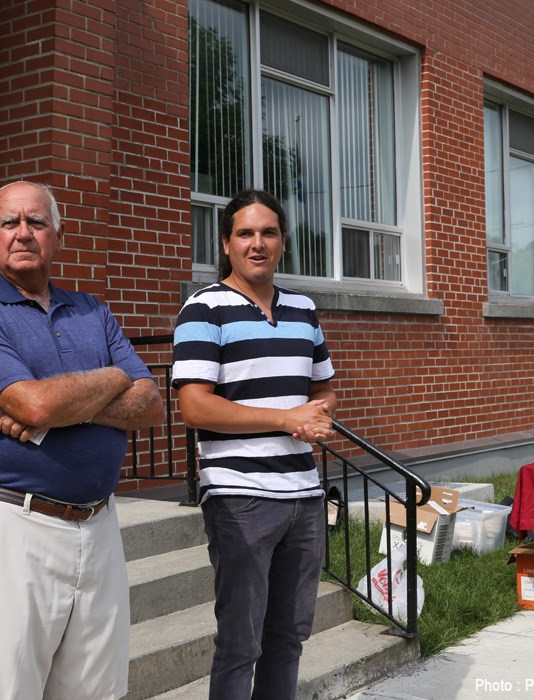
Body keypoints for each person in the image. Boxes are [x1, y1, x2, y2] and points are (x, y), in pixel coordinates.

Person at [0, 180, 163, 699]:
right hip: (17, 527)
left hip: (99, 523)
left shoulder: (91, 310)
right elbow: (34, 407)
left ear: (57, 234)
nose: (23, 233)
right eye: (10, 223)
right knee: (7, 690)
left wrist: (64, 405)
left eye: (36, 222)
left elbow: (151, 405)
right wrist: (112, 377)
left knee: (98, 689)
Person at [171, 189, 337, 699]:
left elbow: (324, 387)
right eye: (245, 233)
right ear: (227, 242)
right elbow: (195, 407)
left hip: (304, 496)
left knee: (288, 638)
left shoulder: (303, 309)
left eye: (268, 233)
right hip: (239, 496)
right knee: (241, 643)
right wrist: (286, 419)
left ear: (283, 242)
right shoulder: (205, 309)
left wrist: (316, 415)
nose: (257, 243)